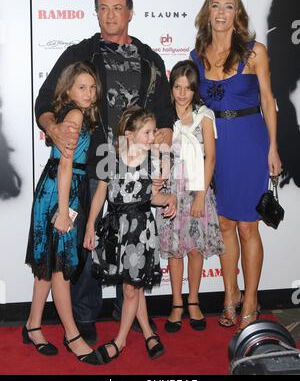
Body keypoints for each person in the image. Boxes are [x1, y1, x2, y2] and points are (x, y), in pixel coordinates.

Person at [34, 0, 174, 344]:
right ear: (96, 13)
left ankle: (131, 308)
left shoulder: (150, 59)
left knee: (134, 238)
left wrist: (166, 134)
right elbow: (45, 101)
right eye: (103, 8)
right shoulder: (81, 53)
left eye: (117, 8)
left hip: (135, 165)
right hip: (95, 159)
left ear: (130, 12)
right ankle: (85, 314)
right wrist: (54, 126)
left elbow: (165, 114)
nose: (110, 15)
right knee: (88, 238)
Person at [190, 0, 282, 332]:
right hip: (215, 146)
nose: (222, 12)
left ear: (237, 14)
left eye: (229, 6)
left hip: (249, 141)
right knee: (225, 224)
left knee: (247, 225)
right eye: (216, 6)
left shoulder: (255, 52)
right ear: (207, 12)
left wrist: (273, 147)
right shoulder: (197, 54)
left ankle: (252, 298)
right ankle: (229, 296)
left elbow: (268, 101)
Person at [24, 62, 103, 365]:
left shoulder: (76, 113)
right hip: (61, 192)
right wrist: (63, 212)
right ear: (68, 90)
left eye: (92, 87)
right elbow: (66, 165)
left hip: (60, 189)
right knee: (60, 267)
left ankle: (33, 325)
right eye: (81, 87)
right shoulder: (75, 114)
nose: (88, 92)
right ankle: (72, 335)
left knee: (47, 262)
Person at [83, 106, 177, 362]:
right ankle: (147, 331)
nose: (152, 137)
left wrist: (170, 198)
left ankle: (119, 341)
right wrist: (91, 225)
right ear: (129, 134)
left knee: (132, 288)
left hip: (140, 232)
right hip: (117, 231)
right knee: (132, 286)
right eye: (147, 132)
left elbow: (152, 198)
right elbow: (100, 194)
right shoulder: (111, 159)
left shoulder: (152, 162)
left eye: (154, 131)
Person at [156, 60, 224, 333]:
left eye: (188, 88)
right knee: (174, 249)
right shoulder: (163, 117)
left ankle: (193, 300)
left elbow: (211, 158)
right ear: (171, 88)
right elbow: (158, 154)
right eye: (177, 87)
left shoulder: (205, 115)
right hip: (171, 190)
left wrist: (200, 195)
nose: (182, 93)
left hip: (197, 189)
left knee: (194, 247)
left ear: (195, 90)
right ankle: (176, 303)